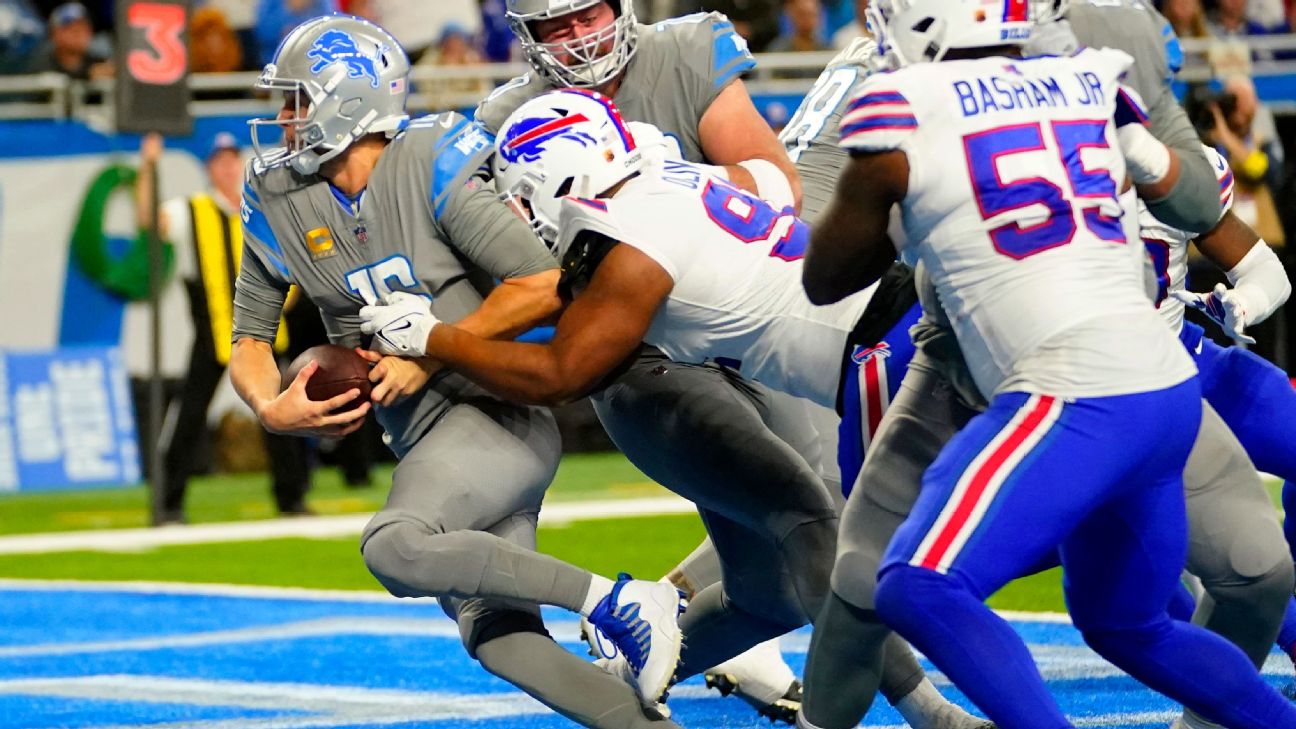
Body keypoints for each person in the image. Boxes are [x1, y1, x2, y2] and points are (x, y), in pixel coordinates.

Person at [800, 0, 1296, 726]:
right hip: (1156, 383)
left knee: (911, 580)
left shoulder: (899, 105)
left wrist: (890, 201)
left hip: (1068, 385)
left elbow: (824, 278)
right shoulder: (1092, 77)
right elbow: (1191, 195)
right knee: (1125, 621)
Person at [358, 86, 905, 703]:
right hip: (862, 338)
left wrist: (437, 339)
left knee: (893, 547)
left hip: (874, 353)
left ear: (553, 179)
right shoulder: (668, 172)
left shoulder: (629, 235)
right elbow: (776, 184)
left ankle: (915, 711)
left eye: (517, 195)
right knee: (856, 536)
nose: (516, 214)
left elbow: (560, 375)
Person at [228, 15, 686, 726]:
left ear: (348, 101)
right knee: (497, 634)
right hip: (425, 440)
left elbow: (545, 282)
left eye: (297, 101)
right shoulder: (280, 197)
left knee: (395, 546)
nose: (283, 120)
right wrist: (269, 407)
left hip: (496, 412)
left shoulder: (428, 162)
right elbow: (249, 339)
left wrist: (434, 343)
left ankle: (617, 599)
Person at [136, 131, 311, 526]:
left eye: (233, 160)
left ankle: (292, 497)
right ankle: (167, 502)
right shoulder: (191, 211)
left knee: (282, 416)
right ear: (210, 168)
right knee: (188, 419)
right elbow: (149, 219)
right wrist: (148, 165)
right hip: (214, 333)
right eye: (220, 161)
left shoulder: (261, 209)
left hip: (267, 333)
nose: (228, 168)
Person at [24, 2, 112, 80]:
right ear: (54, 34)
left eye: (83, 28)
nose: (78, 34)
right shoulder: (41, 65)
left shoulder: (98, 61)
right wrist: (88, 76)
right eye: (71, 29)